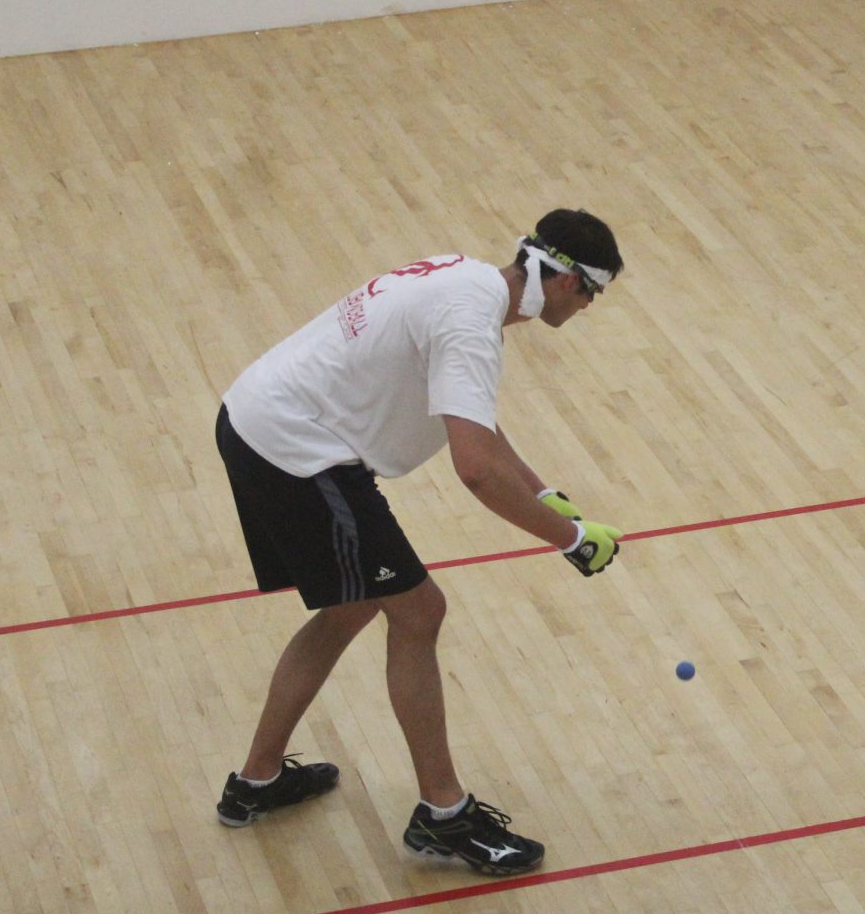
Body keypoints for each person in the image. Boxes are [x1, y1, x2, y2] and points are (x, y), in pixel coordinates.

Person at [211, 209, 625, 875]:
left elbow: (473, 418)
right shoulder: (471, 324)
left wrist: (544, 493)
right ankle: (444, 814)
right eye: (592, 295)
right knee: (419, 611)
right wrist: (571, 538)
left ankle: (256, 780)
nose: (586, 309)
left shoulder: (466, 279)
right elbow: (476, 469)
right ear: (570, 281)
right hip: (298, 452)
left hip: (254, 420)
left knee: (352, 606)